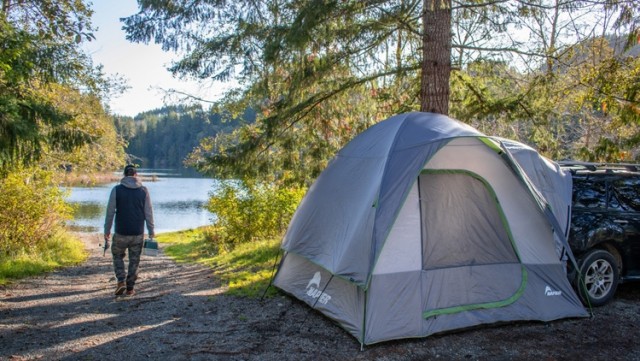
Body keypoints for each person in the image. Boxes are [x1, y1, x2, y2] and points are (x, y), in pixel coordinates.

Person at [104, 164, 155, 296]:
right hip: (137, 232)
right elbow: (148, 212)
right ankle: (130, 288)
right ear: (136, 175)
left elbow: (110, 212)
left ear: (124, 175)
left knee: (117, 256)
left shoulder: (117, 190)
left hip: (121, 231)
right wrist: (151, 231)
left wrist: (107, 230)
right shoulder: (144, 191)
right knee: (134, 260)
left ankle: (121, 281)